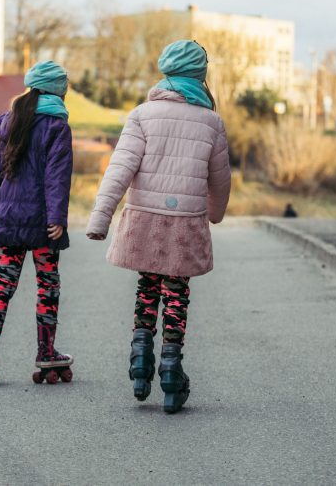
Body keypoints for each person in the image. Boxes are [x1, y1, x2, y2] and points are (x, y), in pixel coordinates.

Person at [86, 40, 231, 413]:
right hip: (186, 221)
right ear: (201, 75)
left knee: (148, 285)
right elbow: (219, 179)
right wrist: (215, 213)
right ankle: (170, 370)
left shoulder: (142, 114)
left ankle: (139, 361)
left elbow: (120, 168)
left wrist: (100, 218)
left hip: (144, 219)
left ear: (166, 73)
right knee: (177, 293)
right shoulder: (212, 122)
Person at [0, 60, 74, 387]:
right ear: (59, 90)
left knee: (2, 284)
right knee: (48, 285)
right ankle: (46, 353)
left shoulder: (14, 122)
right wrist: (57, 216)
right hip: (43, 224)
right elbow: (56, 176)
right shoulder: (57, 126)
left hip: (11, 220)